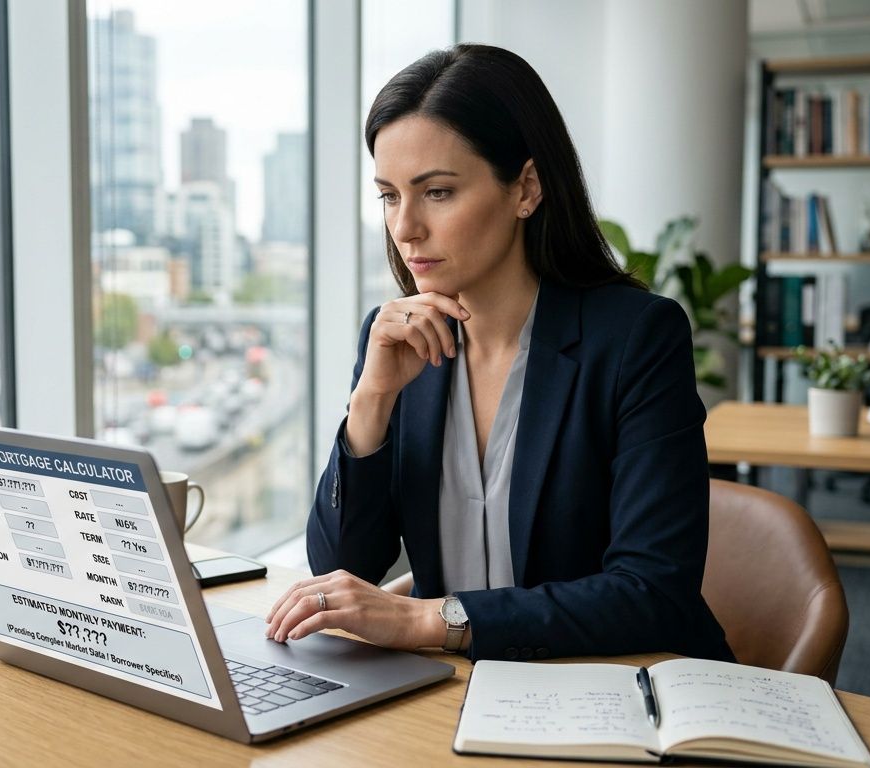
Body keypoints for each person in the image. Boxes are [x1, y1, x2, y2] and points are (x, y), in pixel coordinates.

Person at [265, 44, 733, 663]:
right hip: (453, 696)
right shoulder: (397, 339)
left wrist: (429, 619)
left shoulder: (636, 338)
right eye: (388, 196)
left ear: (526, 189)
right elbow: (343, 567)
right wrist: (371, 400)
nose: (404, 228)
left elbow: (652, 593)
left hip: (612, 688)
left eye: (436, 192)